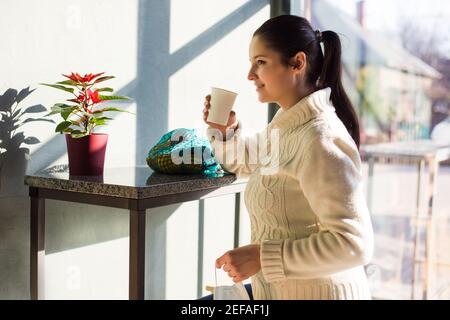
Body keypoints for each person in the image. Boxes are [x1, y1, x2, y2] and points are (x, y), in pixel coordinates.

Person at [202, 15, 374, 300]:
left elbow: (354, 244)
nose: (250, 74)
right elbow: (246, 161)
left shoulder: (321, 138)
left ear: (297, 63)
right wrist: (225, 131)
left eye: (260, 62)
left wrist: (262, 257)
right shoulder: (289, 122)